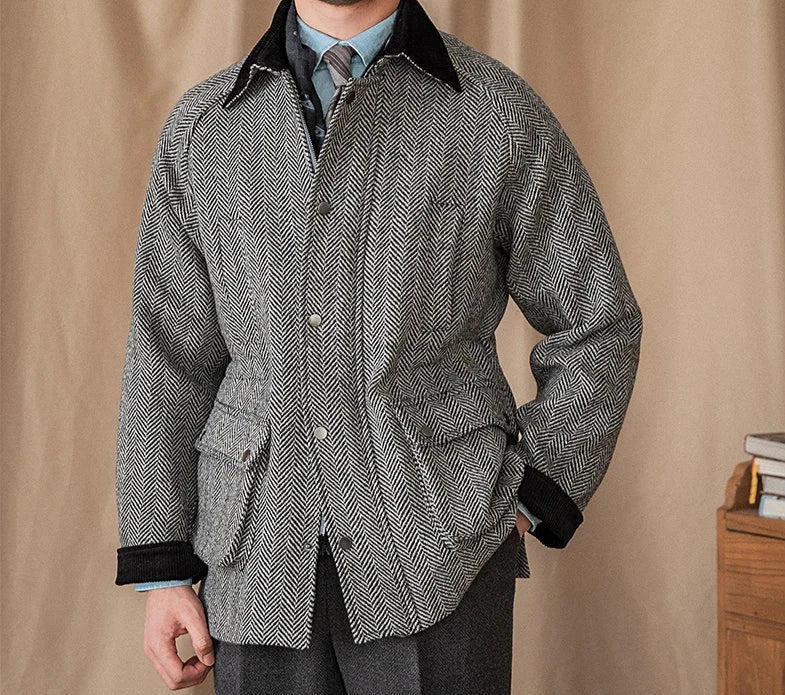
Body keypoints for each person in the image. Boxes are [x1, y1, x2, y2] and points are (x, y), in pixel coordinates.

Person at [113, 0, 643, 692]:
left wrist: (530, 494)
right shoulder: (203, 126)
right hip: (253, 557)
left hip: (440, 550)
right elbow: (166, 358)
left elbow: (598, 320)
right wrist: (163, 567)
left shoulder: (495, 112)